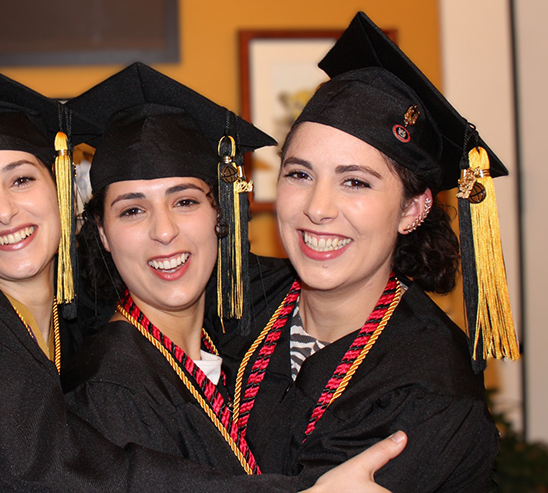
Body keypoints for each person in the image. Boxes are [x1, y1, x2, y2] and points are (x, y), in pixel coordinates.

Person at [0, 61, 406, 492]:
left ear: (61, 194)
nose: (4, 212)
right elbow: (57, 476)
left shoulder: (72, 320)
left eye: (22, 179)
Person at [218, 12, 509, 492]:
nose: (318, 208)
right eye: (299, 174)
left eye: (355, 182)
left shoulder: (429, 389)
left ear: (412, 209)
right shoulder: (240, 297)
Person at [63, 62, 277, 475]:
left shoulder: (232, 352)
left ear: (220, 214)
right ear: (103, 234)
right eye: (132, 210)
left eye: (185, 201)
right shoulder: (107, 390)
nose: (164, 231)